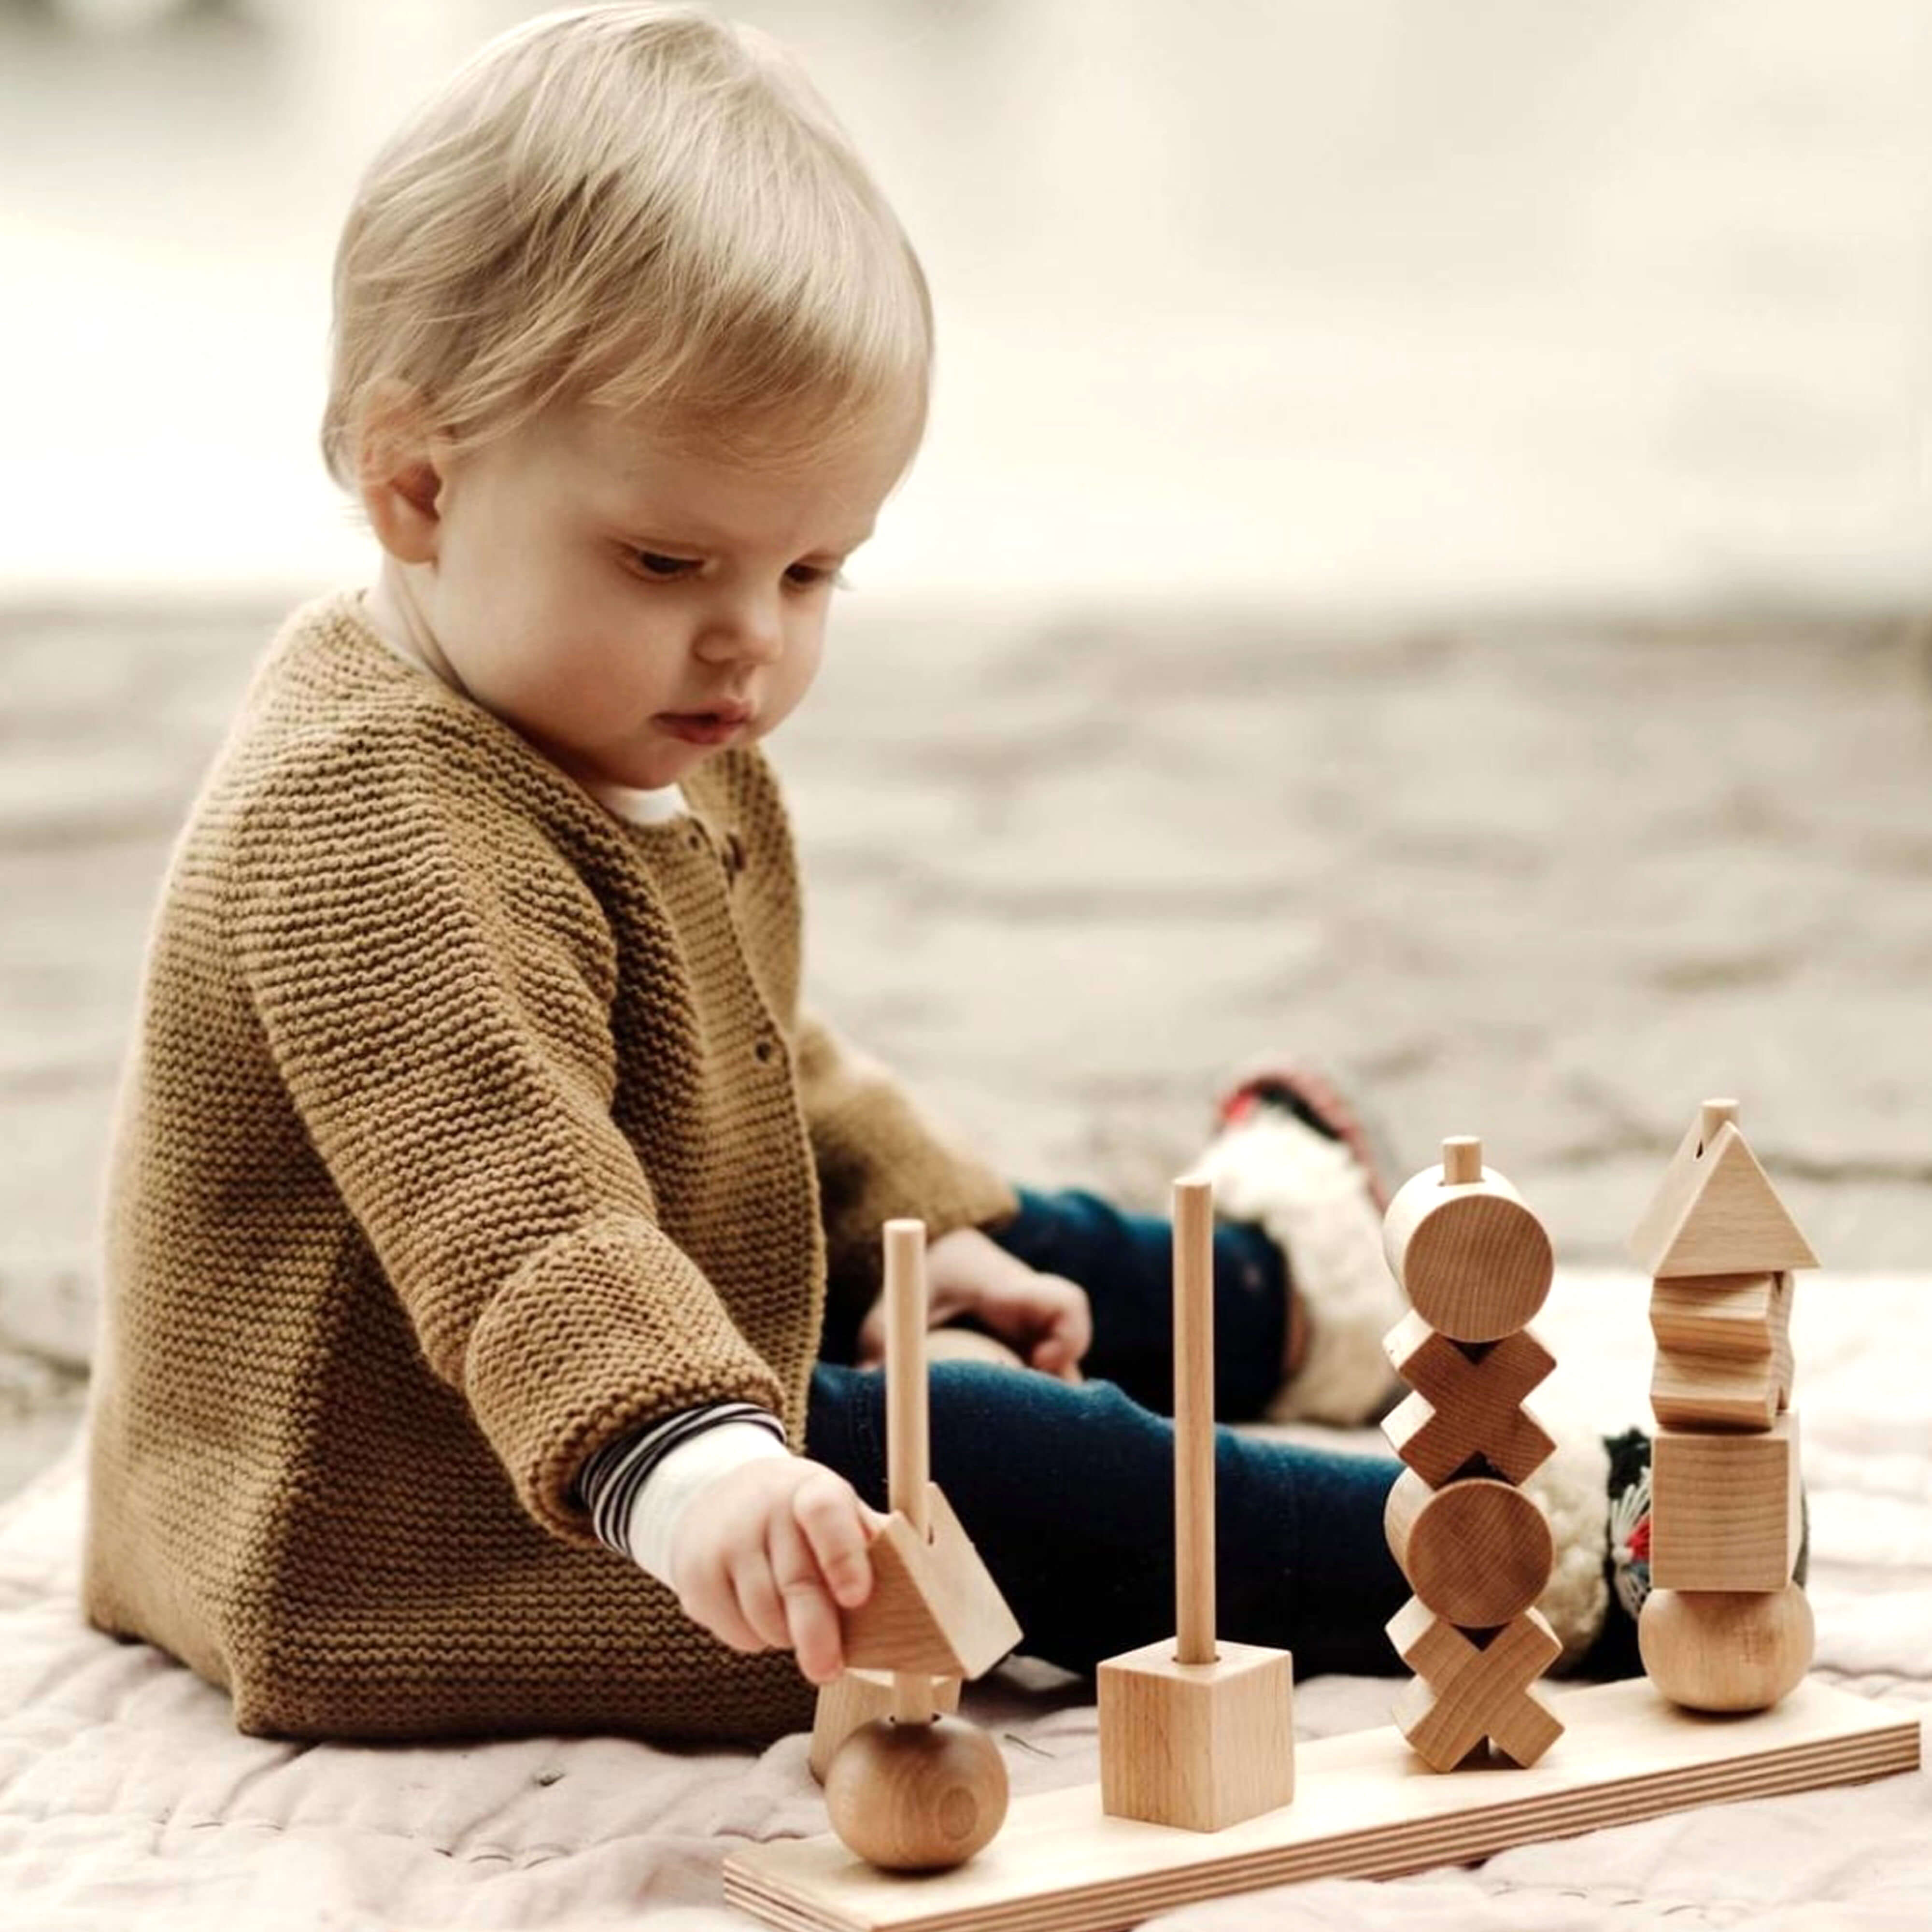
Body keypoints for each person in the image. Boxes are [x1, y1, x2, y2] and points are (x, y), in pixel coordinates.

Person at [79, 2, 1655, 1747]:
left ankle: (1286, 1297)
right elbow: (522, 1226)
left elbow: (758, 1069)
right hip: (415, 1517)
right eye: (668, 559)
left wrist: (932, 1239)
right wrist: (703, 1469)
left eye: (813, 571)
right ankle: (1504, 1556)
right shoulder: (365, 825)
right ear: (417, 485)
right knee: (977, 1462)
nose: (748, 641)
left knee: (1007, 1249)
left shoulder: (616, 709)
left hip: (627, 1347)